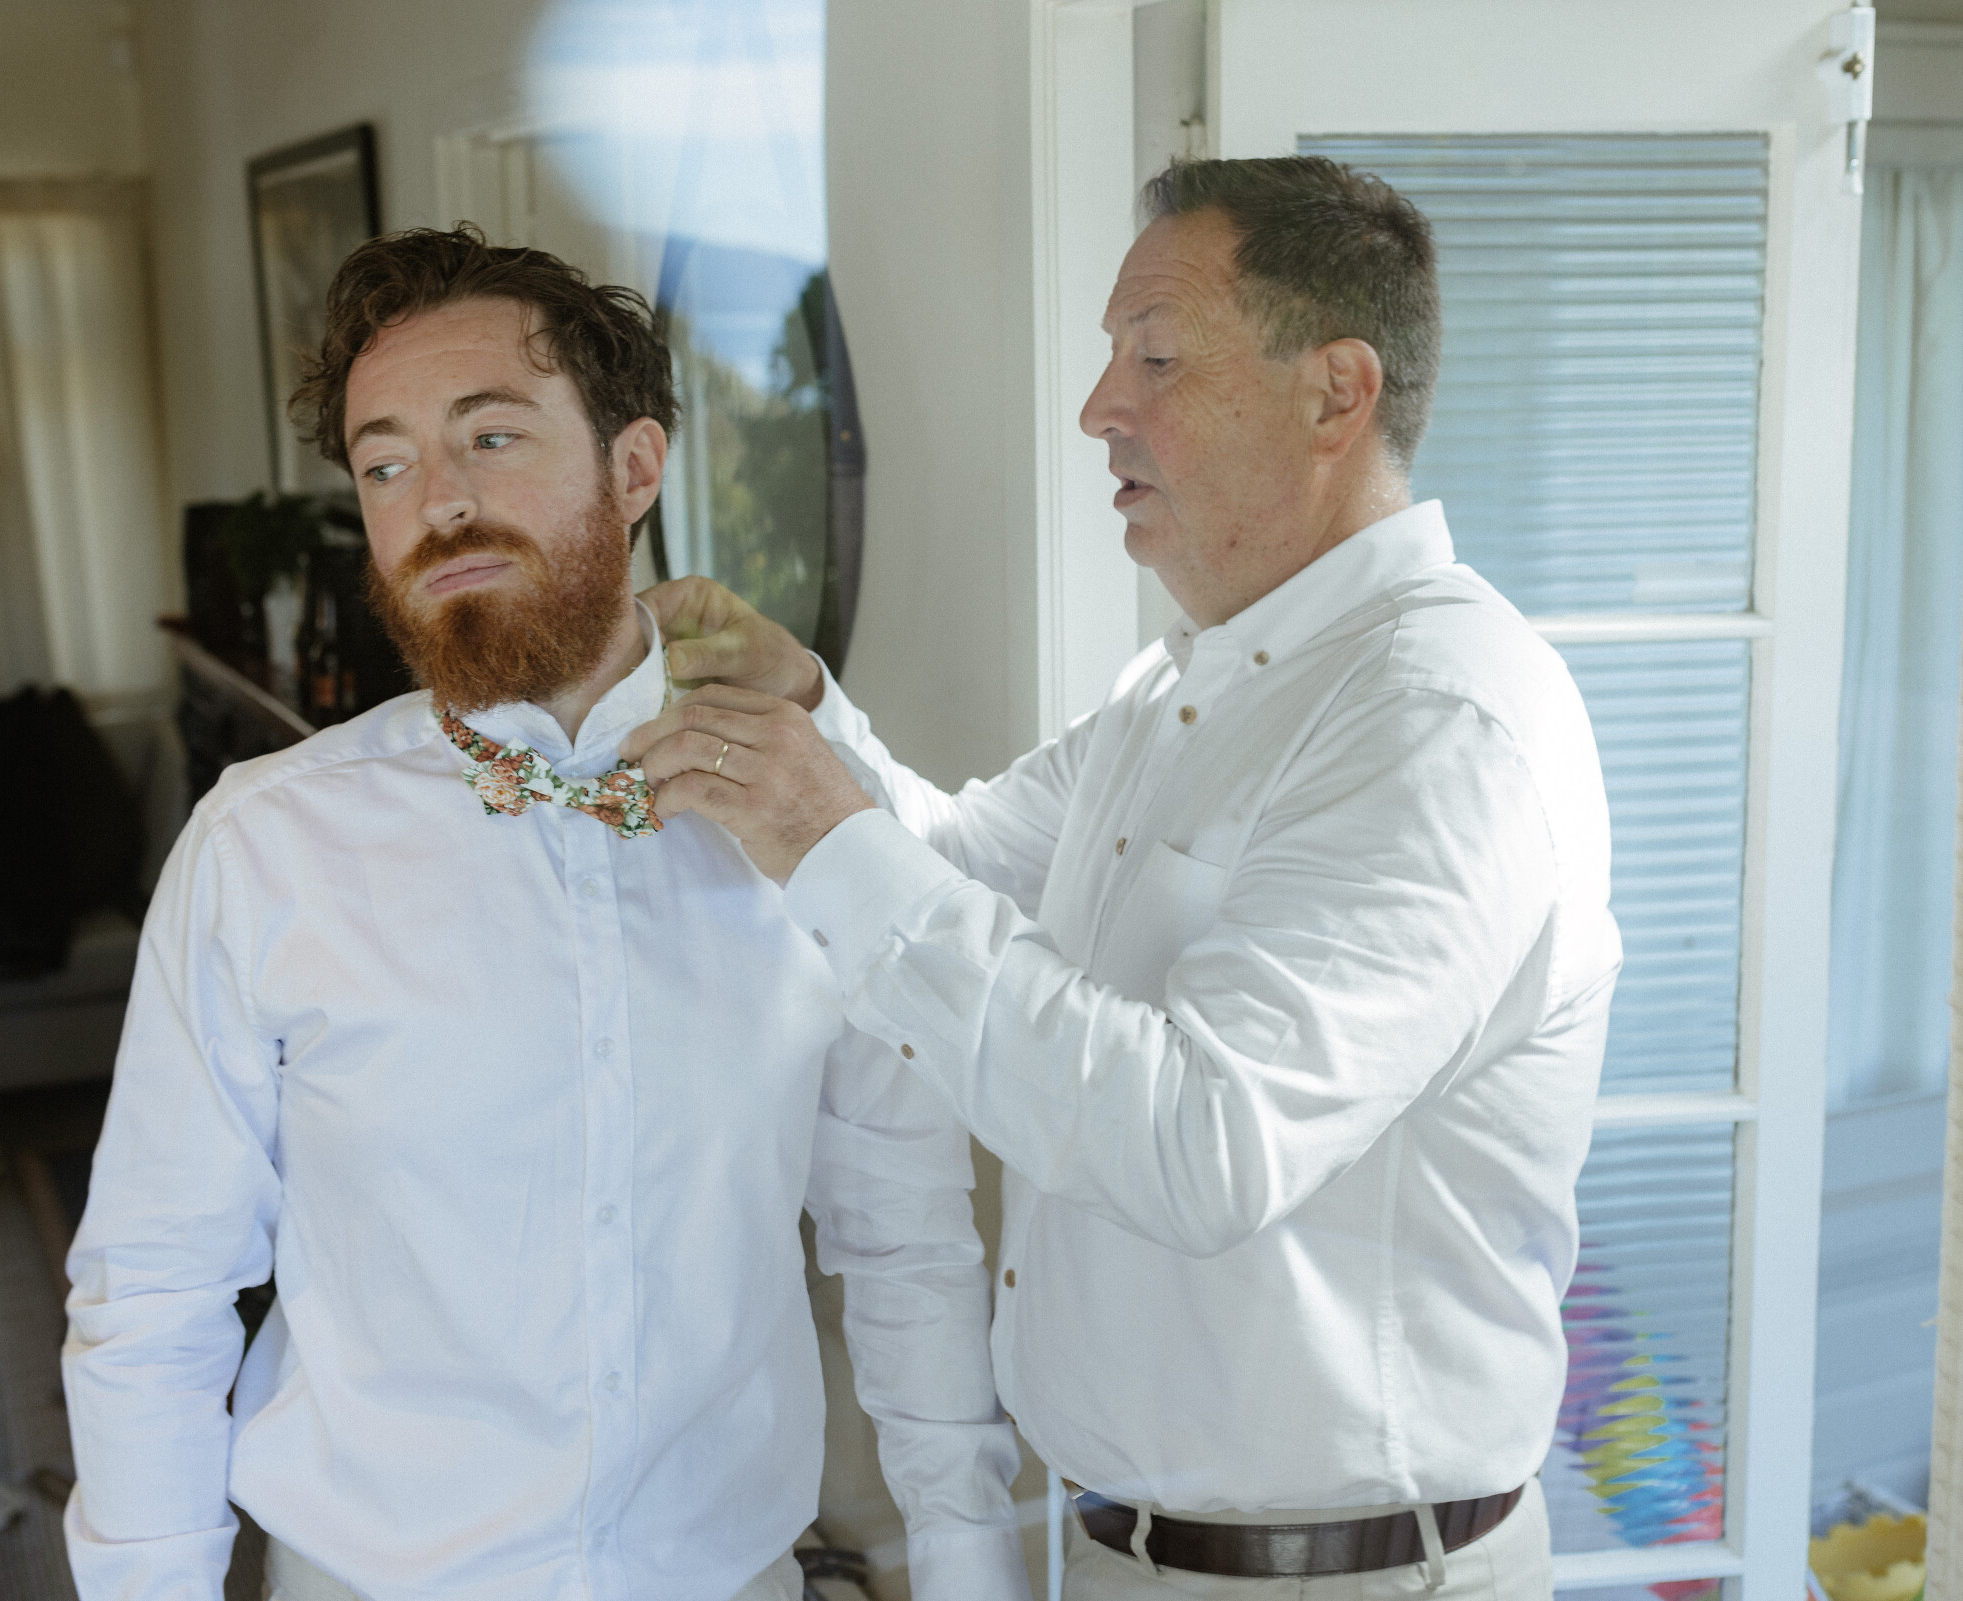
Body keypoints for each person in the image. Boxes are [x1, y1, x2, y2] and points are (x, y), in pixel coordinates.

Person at [624, 157, 1619, 1600]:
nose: (1099, 405)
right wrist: (811, 716)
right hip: (1129, 1557)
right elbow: (957, 861)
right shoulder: (1185, 687)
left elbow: (1206, 1145)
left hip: (1350, 1581)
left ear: (1336, 393)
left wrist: (820, 831)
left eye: (1155, 356)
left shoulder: (1432, 719)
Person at [60, 227, 1030, 1601]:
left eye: (491, 437)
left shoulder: (814, 817)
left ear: (635, 468)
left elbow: (907, 1241)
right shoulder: (264, 847)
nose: (436, 502)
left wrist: (974, 1572)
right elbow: (153, 1290)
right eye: (385, 464)